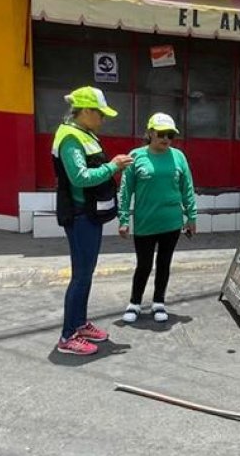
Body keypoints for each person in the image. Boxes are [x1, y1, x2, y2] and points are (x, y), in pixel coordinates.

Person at [53, 87, 133, 356]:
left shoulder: (85, 134)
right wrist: (113, 166)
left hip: (90, 215)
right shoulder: (70, 138)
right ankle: (67, 336)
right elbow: (80, 177)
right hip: (80, 215)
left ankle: (79, 324)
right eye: (100, 114)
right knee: (81, 276)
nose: (103, 119)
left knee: (86, 274)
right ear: (86, 111)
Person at [118, 113, 198, 324]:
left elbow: (187, 187)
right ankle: (134, 303)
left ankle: (158, 302)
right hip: (146, 222)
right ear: (150, 133)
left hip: (171, 222)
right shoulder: (136, 156)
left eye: (170, 135)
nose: (166, 139)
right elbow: (125, 191)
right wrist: (123, 218)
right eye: (161, 134)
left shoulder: (178, 156)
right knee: (143, 265)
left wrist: (192, 216)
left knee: (164, 263)